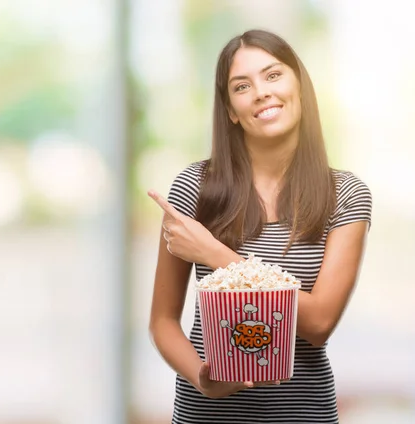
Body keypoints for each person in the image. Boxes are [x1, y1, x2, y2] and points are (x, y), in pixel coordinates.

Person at [147, 29, 372, 423]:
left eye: (273, 76)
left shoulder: (346, 195)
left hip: (303, 415)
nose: (261, 92)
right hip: (207, 413)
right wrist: (200, 378)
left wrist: (215, 255)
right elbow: (162, 321)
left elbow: (319, 323)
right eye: (241, 86)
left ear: (299, 86)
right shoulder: (195, 187)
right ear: (231, 110)